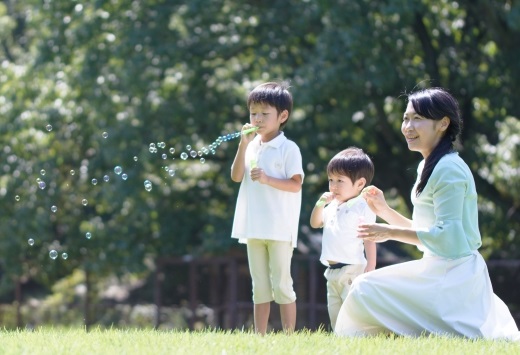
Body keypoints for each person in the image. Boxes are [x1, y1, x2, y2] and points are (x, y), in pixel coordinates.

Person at [334, 87, 520, 340]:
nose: (408, 126)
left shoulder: (449, 169)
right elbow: (426, 228)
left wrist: (389, 232)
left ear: (443, 123)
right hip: (437, 267)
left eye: (417, 119)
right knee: (363, 288)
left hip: (453, 276)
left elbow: (446, 237)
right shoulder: (428, 165)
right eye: (405, 118)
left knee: (364, 289)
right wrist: (384, 211)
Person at [230, 81, 304, 334]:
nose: (257, 118)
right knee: (259, 285)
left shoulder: (288, 148)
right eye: (253, 113)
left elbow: (296, 185)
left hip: (280, 228)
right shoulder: (250, 146)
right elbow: (236, 176)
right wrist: (243, 144)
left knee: (282, 284)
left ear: (282, 116)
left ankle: (289, 336)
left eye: (264, 113)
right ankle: (259, 337)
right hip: (253, 226)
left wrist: (268, 179)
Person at [309, 147, 377, 331]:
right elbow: (315, 223)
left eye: (340, 180)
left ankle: (360, 342)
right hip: (331, 272)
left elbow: (369, 237)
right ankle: (341, 344)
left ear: (360, 183)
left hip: (351, 269)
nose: (334, 185)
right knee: (335, 315)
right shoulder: (332, 205)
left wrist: (370, 266)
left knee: (352, 314)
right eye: (331, 180)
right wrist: (320, 204)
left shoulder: (362, 206)